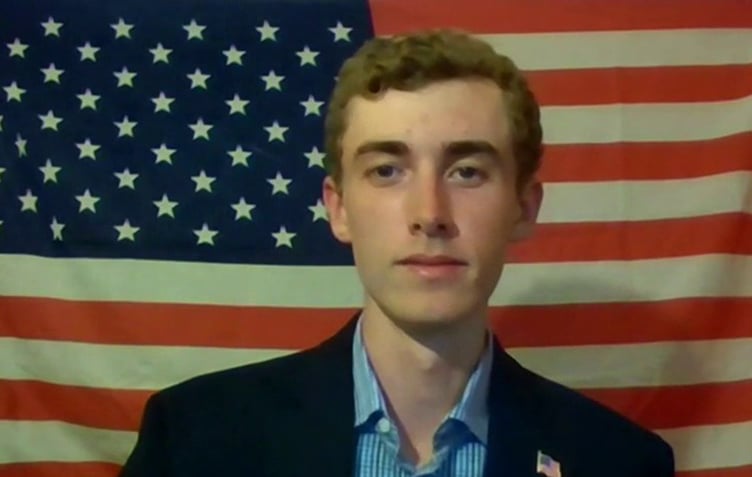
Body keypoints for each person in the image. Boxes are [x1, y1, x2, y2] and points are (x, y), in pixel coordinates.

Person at [119, 29, 675, 477]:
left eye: (467, 171)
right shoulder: (197, 440)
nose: (429, 212)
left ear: (524, 208)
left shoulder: (619, 463)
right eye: (387, 170)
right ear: (338, 208)